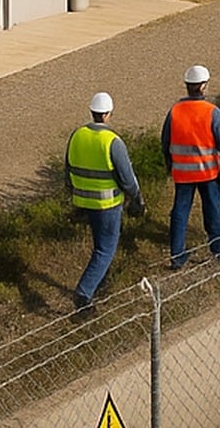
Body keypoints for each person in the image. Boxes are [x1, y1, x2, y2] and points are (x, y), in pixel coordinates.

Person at [65, 91, 144, 311]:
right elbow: (127, 178)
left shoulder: (77, 135)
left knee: (99, 246)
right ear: (108, 114)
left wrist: (73, 196)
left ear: (92, 112)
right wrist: (137, 198)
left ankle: (101, 282)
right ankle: (84, 293)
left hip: (82, 201)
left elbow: (67, 168)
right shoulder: (113, 141)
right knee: (106, 248)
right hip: (107, 205)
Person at [161, 64, 220, 269]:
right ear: (203, 87)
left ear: (187, 86)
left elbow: (165, 142)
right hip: (208, 172)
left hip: (182, 173)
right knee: (212, 210)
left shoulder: (174, 111)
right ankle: (218, 251)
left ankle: (177, 257)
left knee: (180, 213)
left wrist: (170, 165)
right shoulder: (212, 112)